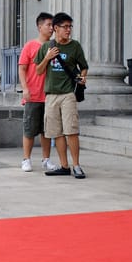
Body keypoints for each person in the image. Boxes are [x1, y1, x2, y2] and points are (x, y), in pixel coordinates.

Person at [36, 12, 89, 178]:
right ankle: (64, 166)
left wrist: (83, 77)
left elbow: (84, 67)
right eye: (65, 27)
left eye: (70, 26)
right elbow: (38, 70)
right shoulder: (46, 46)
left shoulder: (75, 46)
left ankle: (77, 166)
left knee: (71, 130)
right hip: (51, 95)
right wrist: (47, 58)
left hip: (68, 94)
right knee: (57, 132)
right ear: (55, 28)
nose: (68, 30)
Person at [18, 12, 56, 173]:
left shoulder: (55, 46)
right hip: (33, 95)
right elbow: (22, 69)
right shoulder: (30, 46)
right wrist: (25, 89)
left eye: (53, 25)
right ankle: (26, 159)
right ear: (40, 27)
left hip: (50, 95)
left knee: (47, 130)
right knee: (29, 129)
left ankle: (46, 160)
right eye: (48, 25)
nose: (51, 28)